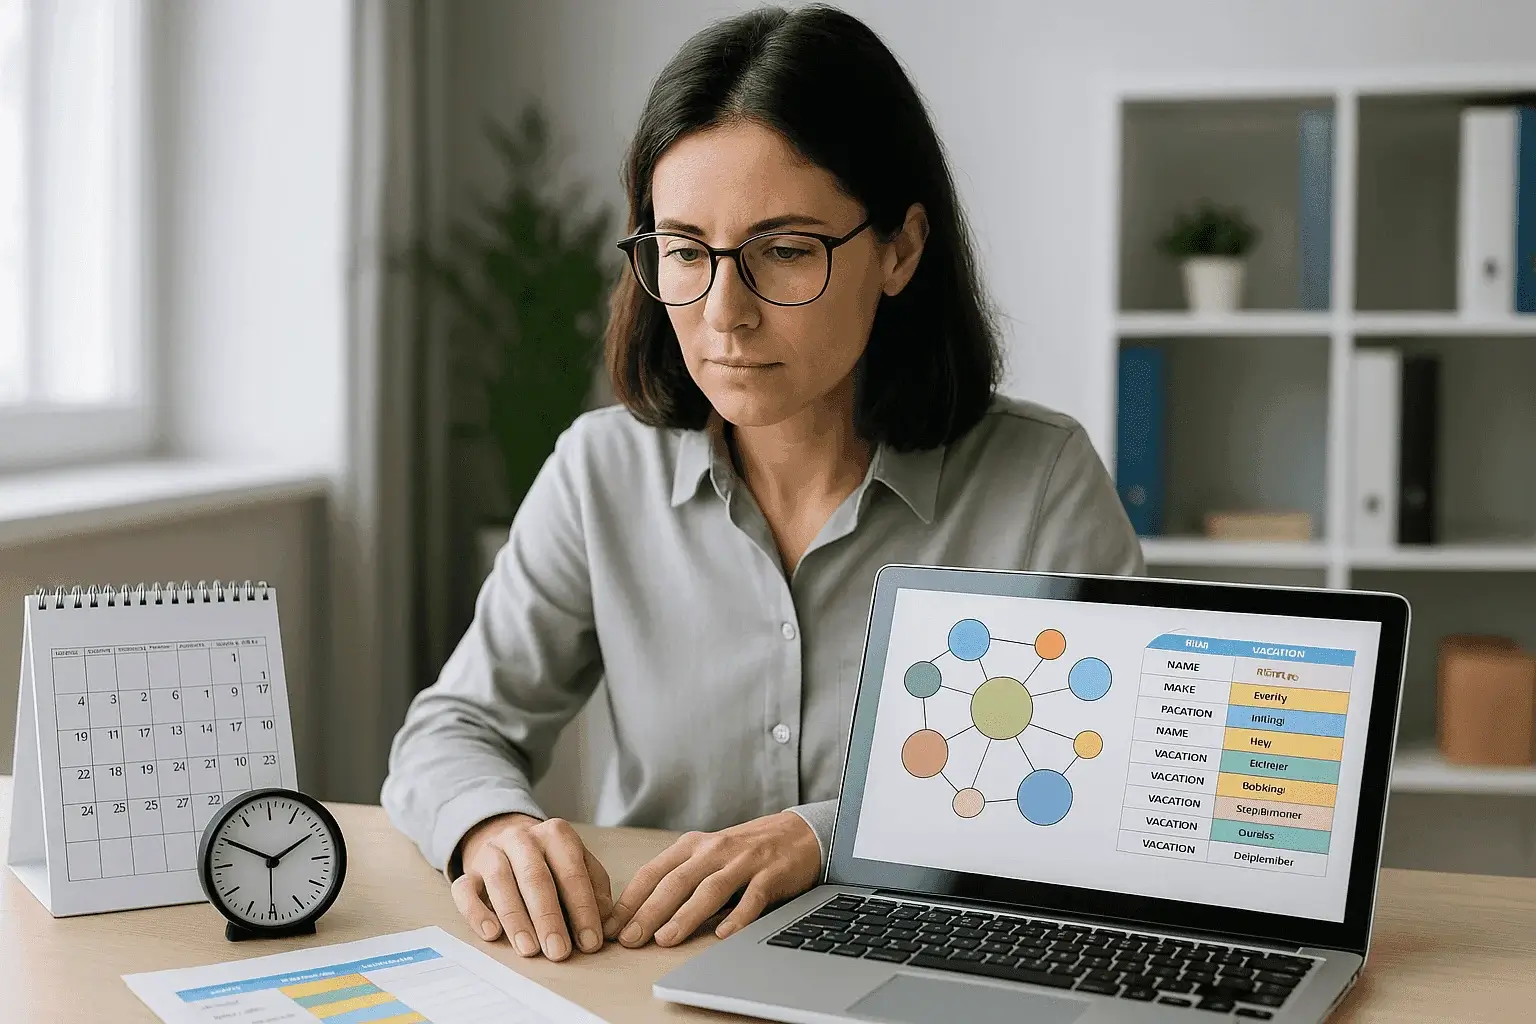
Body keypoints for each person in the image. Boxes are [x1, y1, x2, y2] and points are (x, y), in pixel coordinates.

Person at [381, 3, 1143, 964]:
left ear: (901, 249)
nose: (723, 316)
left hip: (929, 972)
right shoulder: (598, 470)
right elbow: (455, 727)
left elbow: (1104, 795)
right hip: (648, 974)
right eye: (687, 252)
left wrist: (828, 835)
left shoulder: (1040, 483)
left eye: (784, 251)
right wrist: (490, 829)